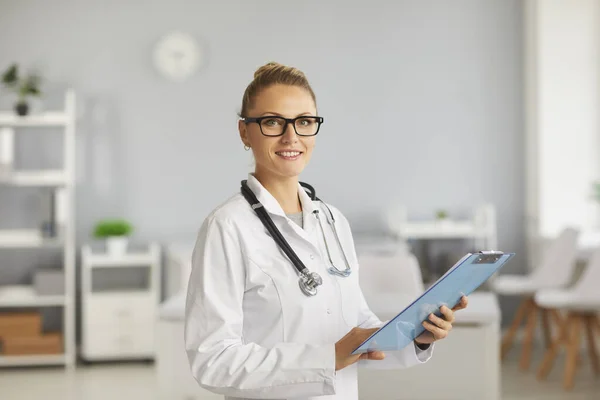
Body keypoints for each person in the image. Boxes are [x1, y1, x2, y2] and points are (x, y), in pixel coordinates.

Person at [184, 61, 469, 400]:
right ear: (245, 131)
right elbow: (212, 361)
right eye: (273, 122)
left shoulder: (332, 220)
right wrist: (326, 358)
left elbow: (354, 325)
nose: (292, 137)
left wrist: (415, 336)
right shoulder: (227, 227)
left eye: (304, 122)